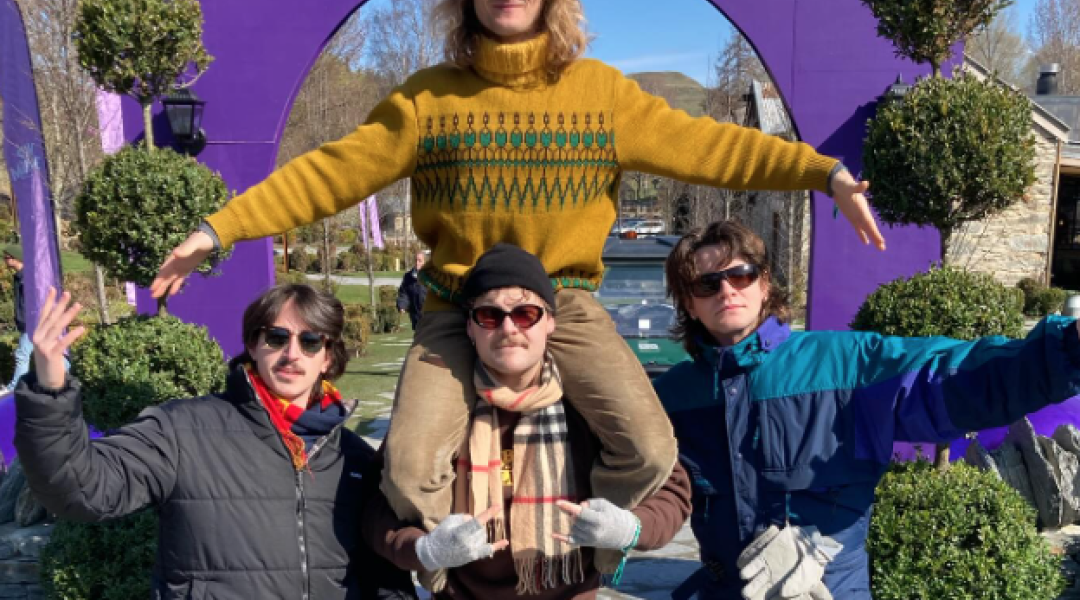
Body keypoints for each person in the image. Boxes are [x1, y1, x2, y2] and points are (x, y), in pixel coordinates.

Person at [148, 0, 886, 574]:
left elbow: (714, 148)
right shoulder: (429, 101)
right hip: (457, 305)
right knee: (408, 464)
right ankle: (457, 569)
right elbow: (329, 174)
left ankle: (584, 555)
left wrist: (822, 172)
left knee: (648, 443)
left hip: (565, 301)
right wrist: (219, 229)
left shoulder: (602, 96)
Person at [655, 221, 1080, 600]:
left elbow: (953, 376)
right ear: (689, 304)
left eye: (741, 274)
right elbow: (652, 486)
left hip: (829, 591)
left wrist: (1067, 348)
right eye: (707, 284)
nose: (727, 290)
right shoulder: (671, 396)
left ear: (764, 284)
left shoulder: (845, 365)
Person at [14, 284, 417, 599]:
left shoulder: (353, 458)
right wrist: (50, 392)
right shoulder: (182, 430)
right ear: (254, 345)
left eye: (310, 341)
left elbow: (385, 578)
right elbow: (81, 489)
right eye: (277, 337)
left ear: (327, 357)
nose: (292, 353)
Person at [364, 243, 692, 598]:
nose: (508, 328)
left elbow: (672, 489)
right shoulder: (441, 417)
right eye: (489, 316)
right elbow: (375, 506)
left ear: (550, 322)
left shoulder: (587, 411)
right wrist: (424, 549)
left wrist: (630, 529)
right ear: (470, 328)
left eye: (525, 314)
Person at [1, 245, 28, 394]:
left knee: (22, 355)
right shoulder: (19, 276)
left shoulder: (26, 277)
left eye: (6, 257)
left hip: (32, 323)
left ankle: (14, 389)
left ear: (15, 258)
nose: (4, 260)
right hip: (26, 323)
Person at [397, 251, 428, 330]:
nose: (417, 263)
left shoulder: (431, 276)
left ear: (425, 262)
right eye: (416, 260)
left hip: (430, 316)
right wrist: (402, 305)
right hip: (416, 316)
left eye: (420, 260)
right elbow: (404, 293)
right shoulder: (408, 276)